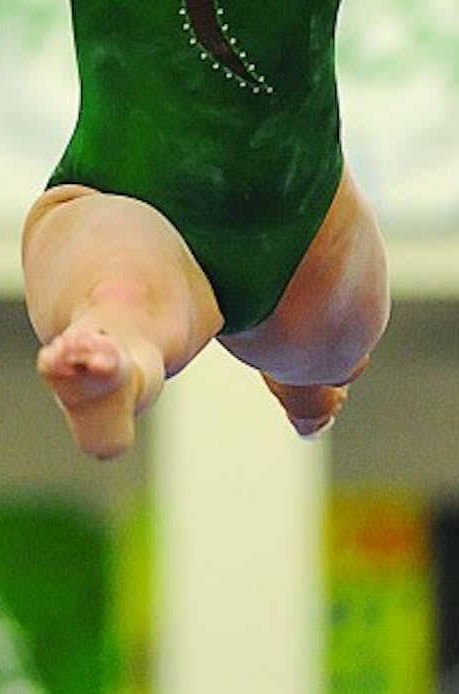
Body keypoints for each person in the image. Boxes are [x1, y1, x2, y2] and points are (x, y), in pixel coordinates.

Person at [21, 0, 388, 459]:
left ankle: (305, 390)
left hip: (308, 239)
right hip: (151, 198)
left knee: (332, 350)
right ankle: (111, 371)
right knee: (122, 294)